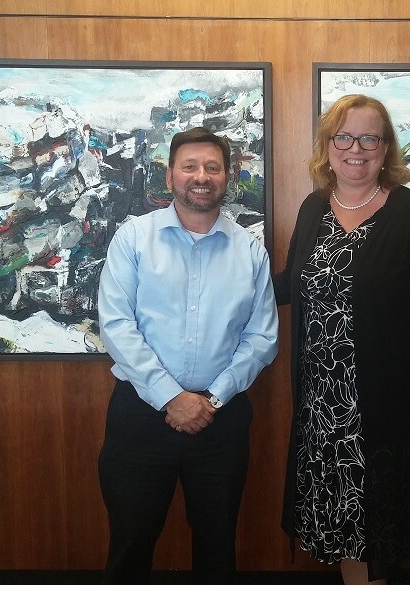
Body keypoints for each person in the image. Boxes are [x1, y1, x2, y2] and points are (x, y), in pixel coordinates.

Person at [273, 94, 410, 584]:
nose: (355, 149)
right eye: (344, 137)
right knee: (346, 525)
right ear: (327, 146)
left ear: (386, 147)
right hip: (324, 407)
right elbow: (291, 283)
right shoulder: (313, 208)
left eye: (369, 138)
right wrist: (219, 278)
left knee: (389, 525)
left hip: (392, 407)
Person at [97, 126, 279, 584]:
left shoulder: (249, 251)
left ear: (227, 176)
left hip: (221, 420)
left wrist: (211, 400)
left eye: (213, 167)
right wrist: (171, 397)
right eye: (190, 166)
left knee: (217, 548)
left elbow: (261, 338)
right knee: (130, 544)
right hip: (141, 417)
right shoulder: (134, 238)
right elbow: (117, 326)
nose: (201, 176)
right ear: (170, 176)